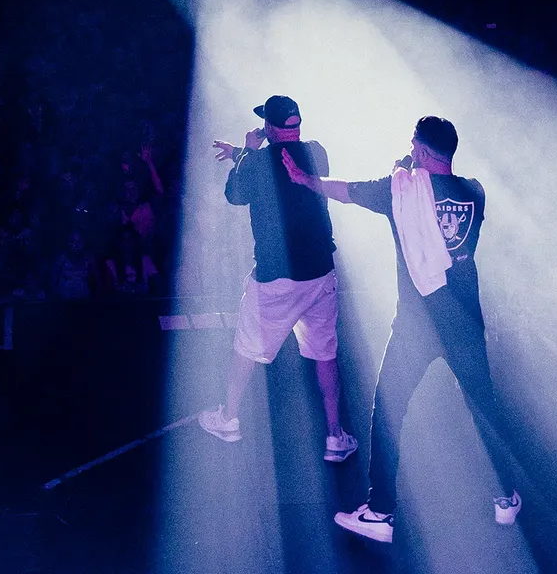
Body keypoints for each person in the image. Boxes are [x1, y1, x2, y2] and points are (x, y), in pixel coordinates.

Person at [282, 115, 524, 544]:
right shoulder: (475, 192)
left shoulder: (400, 193)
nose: (409, 151)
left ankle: (380, 512)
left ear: (427, 152)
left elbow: (349, 191)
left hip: (417, 323)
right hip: (464, 323)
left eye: (414, 146)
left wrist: (305, 180)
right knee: (483, 409)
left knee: (389, 411)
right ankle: (505, 499)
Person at [199, 95, 357, 462]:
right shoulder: (318, 152)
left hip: (276, 277)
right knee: (324, 353)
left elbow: (234, 195)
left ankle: (229, 417)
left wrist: (245, 152)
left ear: (268, 127)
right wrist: (247, 152)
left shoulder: (256, 162)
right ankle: (335, 436)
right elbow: (285, 166)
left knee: (246, 347)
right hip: (318, 273)